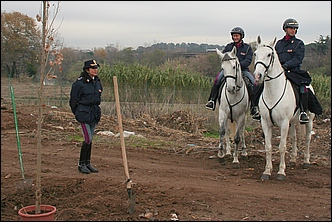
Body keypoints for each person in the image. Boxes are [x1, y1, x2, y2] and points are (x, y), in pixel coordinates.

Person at [252, 18, 318, 124]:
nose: (293, 30)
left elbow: (298, 59)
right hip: (279, 72)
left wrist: (286, 66)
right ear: (285, 29)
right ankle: (256, 109)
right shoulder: (279, 44)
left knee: (303, 87)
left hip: (293, 71)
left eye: (295, 29)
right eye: (291, 28)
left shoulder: (299, 43)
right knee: (260, 85)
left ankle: (303, 111)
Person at [206, 27, 258, 117]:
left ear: (241, 36)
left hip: (243, 70)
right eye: (234, 36)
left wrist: (238, 66)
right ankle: (212, 100)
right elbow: (224, 58)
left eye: (237, 36)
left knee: (253, 83)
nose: (235, 37)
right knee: (217, 80)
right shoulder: (228, 47)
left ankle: (254, 106)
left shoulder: (247, 48)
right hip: (229, 71)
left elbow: (248, 60)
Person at [69, 59, 103, 174]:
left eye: (96, 68)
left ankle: (87, 163)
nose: (95, 70)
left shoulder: (97, 82)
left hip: (94, 113)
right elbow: (73, 101)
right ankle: (81, 164)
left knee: (90, 139)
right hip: (83, 113)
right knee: (87, 139)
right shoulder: (79, 83)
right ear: (87, 70)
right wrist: (77, 113)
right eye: (93, 68)